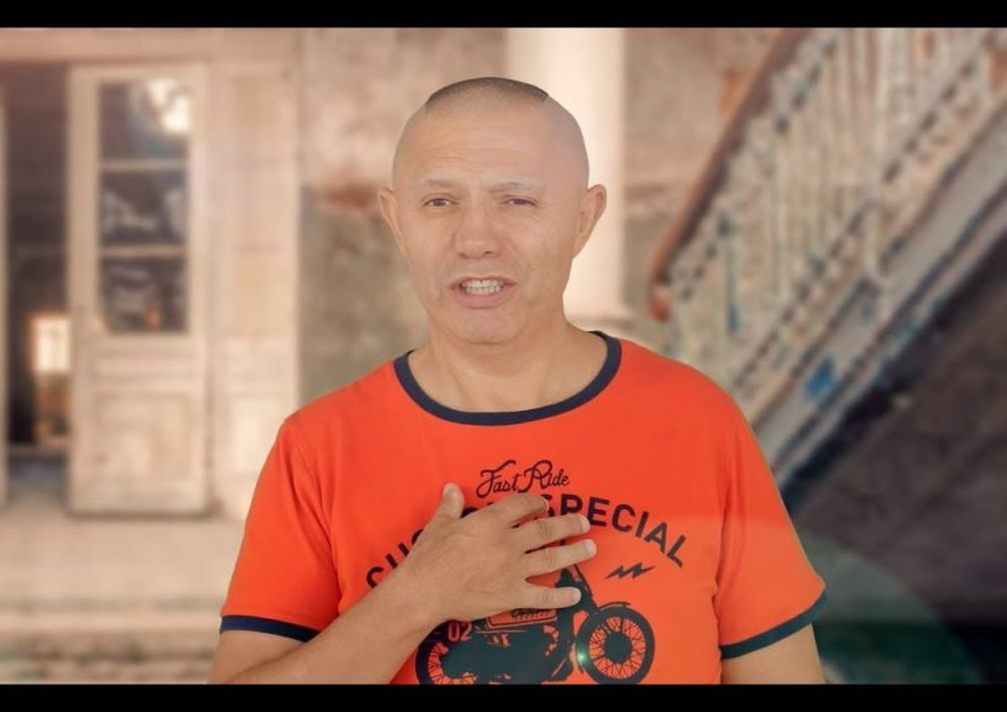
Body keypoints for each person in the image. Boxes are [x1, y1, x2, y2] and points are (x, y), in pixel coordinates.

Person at [208, 76, 827, 684]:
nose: (476, 239)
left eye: (518, 201)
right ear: (397, 221)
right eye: (439, 202)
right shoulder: (318, 449)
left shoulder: (697, 422)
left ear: (583, 219)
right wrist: (415, 599)